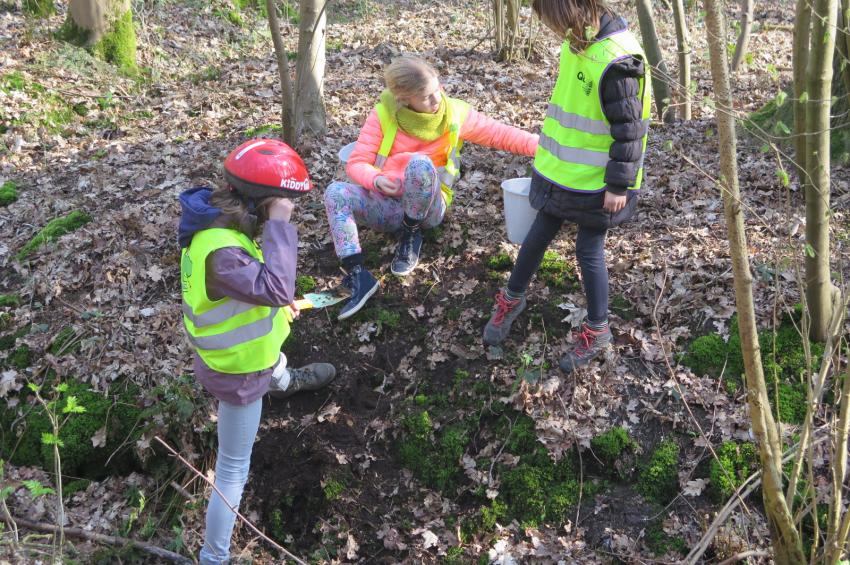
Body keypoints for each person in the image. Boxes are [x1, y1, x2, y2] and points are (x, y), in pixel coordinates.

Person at [178, 138, 336, 564]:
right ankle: (213, 556)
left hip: (252, 356)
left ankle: (284, 381)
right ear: (265, 203)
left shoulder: (222, 223)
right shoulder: (223, 252)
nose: (293, 209)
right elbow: (276, 286)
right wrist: (280, 224)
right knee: (232, 469)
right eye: (286, 203)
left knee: (274, 362)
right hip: (239, 371)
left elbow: (256, 286)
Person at [482, 0, 652, 374]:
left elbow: (630, 130)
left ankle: (598, 330)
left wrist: (618, 186)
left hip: (599, 183)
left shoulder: (618, 60)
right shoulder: (579, 41)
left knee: (588, 250)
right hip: (561, 173)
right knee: (538, 232)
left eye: (551, 19)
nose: (550, 28)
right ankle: (512, 298)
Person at [324, 55, 539, 320]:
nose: (437, 100)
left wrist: (544, 147)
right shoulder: (383, 114)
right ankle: (357, 274)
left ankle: (411, 234)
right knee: (335, 192)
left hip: (430, 209)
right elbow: (356, 163)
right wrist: (376, 179)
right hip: (388, 206)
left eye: (438, 90)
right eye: (427, 97)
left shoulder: (454, 112)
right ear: (404, 99)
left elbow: (500, 134)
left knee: (420, 164)